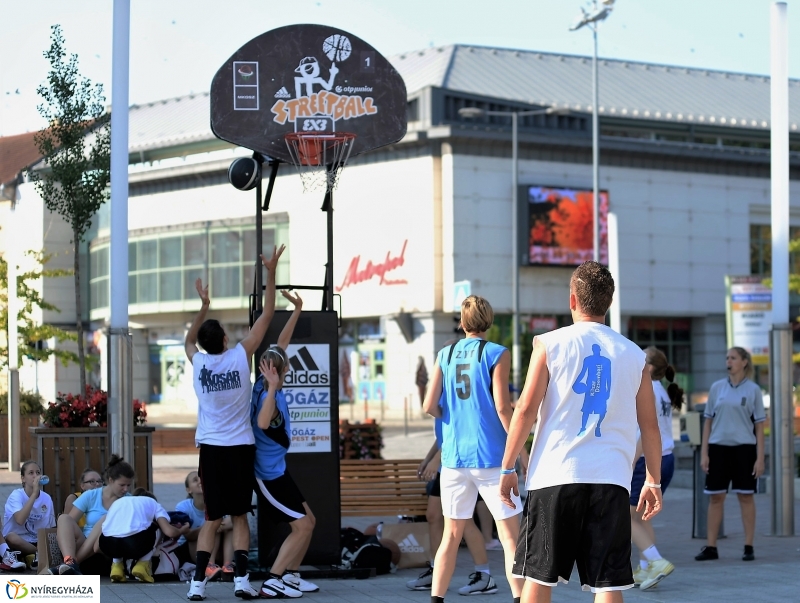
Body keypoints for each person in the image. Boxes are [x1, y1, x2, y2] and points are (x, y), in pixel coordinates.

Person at [499, 261, 663, 603]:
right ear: (609, 302)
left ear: (572, 299)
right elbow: (649, 425)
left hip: (555, 475)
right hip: (611, 478)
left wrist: (507, 466)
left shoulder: (550, 343)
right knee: (607, 584)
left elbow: (525, 409)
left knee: (538, 578)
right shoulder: (634, 355)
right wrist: (653, 481)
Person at [185, 245, 284, 601]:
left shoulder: (199, 363)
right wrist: (270, 271)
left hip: (211, 450)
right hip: (241, 448)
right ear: (226, 340)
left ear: (204, 344)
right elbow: (268, 313)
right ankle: (241, 580)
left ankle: (197, 584)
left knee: (212, 519)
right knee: (240, 516)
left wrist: (204, 306)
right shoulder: (241, 356)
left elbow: (188, 340)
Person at [423, 295, 523, 603]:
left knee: (450, 537)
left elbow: (429, 405)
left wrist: (452, 416)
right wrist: (522, 450)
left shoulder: (445, 353)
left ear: (462, 322)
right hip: (491, 456)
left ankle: (436, 599)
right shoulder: (497, 353)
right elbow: (503, 408)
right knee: (510, 539)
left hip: (454, 459)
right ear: (488, 320)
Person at [251, 290, 320, 598]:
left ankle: (291, 576)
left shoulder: (264, 380)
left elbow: (282, 342)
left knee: (310, 521)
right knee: (302, 526)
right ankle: (273, 580)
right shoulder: (270, 396)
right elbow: (263, 423)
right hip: (267, 475)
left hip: (278, 469)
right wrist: (272, 388)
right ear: (280, 372)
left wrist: (297, 309)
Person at [407, 431, 500, 595]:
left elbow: (457, 431)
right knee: (433, 516)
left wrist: (435, 459)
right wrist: (428, 459)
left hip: (456, 464)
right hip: (447, 465)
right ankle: (436, 571)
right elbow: (442, 435)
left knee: (464, 522)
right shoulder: (440, 414)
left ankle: (484, 575)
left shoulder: (453, 411)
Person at [696, 346, 765, 562]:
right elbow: (708, 422)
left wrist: (760, 458)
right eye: (727, 358)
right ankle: (711, 547)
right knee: (716, 497)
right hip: (718, 448)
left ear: (744, 362)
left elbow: (760, 427)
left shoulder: (753, 390)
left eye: (733, 358)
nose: (729, 361)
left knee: (746, 496)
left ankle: (748, 546)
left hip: (745, 449)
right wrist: (704, 453)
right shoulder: (717, 388)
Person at [631, 347, 683, 590]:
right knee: (642, 516)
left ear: (649, 367)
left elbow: (645, 431)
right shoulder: (660, 390)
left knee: (624, 516)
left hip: (648, 460)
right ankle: (646, 569)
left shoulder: (647, 388)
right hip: (665, 458)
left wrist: (631, 463)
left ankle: (656, 561)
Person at [46, 455, 134, 575]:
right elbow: (69, 524)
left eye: (128, 485)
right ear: (111, 480)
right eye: (122, 485)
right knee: (64, 518)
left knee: (106, 520)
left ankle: (72, 564)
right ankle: (69, 560)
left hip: (106, 547)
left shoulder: (129, 501)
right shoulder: (91, 495)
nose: (126, 489)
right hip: (85, 543)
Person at [96, 488, 190, 583]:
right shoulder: (154, 503)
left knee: (118, 532)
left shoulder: (119, 502)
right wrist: (182, 530)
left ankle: (116, 567)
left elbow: (96, 548)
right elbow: (170, 532)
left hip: (106, 544)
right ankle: (142, 565)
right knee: (159, 527)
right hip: (135, 544)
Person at [175, 470, 234, 579]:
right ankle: (209, 565)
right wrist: (209, 526)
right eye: (195, 480)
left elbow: (233, 521)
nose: (200, 481)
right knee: (213, 525)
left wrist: (219, 525)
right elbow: (188, 536)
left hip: (217, 549)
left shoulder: (219, 502)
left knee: (224, 527)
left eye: (202, 478)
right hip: (191, 550)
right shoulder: (183, 507)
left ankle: (227, 565)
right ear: (189, 490)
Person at [2, 460, 55, 563]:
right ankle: (38, 554)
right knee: (11, 537)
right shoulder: (16, 495)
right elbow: (20, 520)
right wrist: (34, 494)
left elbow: (50, 527)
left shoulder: (46, 498)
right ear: (23, 478)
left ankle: (34, 556)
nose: (35, 476)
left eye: (38, 472)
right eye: (31, 473)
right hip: (18, 541)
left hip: (37, 541)